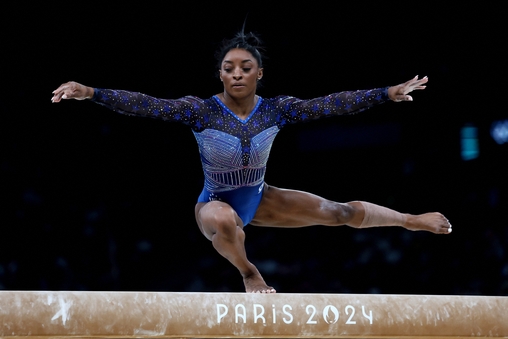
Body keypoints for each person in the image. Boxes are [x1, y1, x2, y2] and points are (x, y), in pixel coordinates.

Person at [51, 31, 452, 293]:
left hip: (260, 197)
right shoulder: (200, 111)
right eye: (229, 69)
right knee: (225, 220)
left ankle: (408, 220)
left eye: (246, 68)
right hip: (214, 202)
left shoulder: (277, 110)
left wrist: (386, 93)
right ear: (220, 75)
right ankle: (248, 272)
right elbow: (147, 105)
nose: (237, 74)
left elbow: (331, 104)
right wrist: (91, 92)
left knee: (340, 211)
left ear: (260, 72)